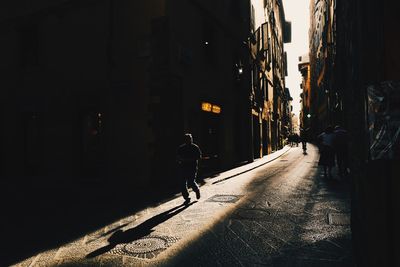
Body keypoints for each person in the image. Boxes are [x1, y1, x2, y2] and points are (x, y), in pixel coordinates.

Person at [177, 133, 202, 204]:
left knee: (191, 181)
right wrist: (181, 160)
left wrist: (191, 159)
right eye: (187, 139)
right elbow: (178, 157)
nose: (189, 140)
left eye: (190, 139)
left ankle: (196, 189)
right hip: (183, 167)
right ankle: (186, 197)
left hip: (192, 167)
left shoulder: (195, 147)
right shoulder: (181, 148)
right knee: (182, 183)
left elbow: (199, 156)